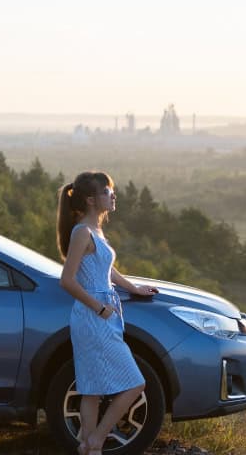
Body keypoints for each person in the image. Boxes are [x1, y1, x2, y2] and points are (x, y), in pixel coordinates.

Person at [57, 171, 158, 455]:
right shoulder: (81, 232)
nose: (113, 195)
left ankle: (88, 447)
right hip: (93, 316)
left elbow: (107, 270)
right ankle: (98, 438)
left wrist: (133, 288)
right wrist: (99, 307)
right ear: (91, 200)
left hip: (104, 315)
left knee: (91, 389)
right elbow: (67, 280)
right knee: (136, 383)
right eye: (107, 191)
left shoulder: (96, 231)